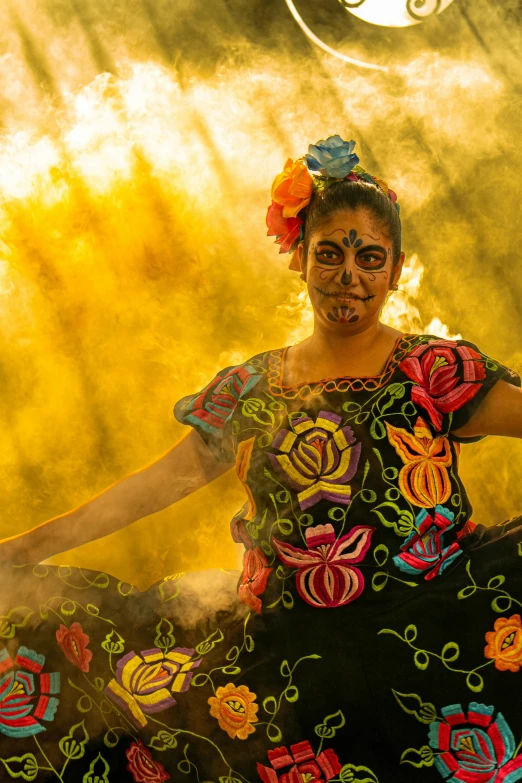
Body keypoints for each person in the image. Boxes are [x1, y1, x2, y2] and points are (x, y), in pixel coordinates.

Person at [1, 135, 521, 783]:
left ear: (395, 267)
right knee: (80, 655)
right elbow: (153, 486)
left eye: (370, 257)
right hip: (286, 656)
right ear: (299, 259)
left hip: (424, 636)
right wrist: (24, 546)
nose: (349, 275)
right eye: (328, 253)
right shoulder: (253, 387)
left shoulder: (432, 369)